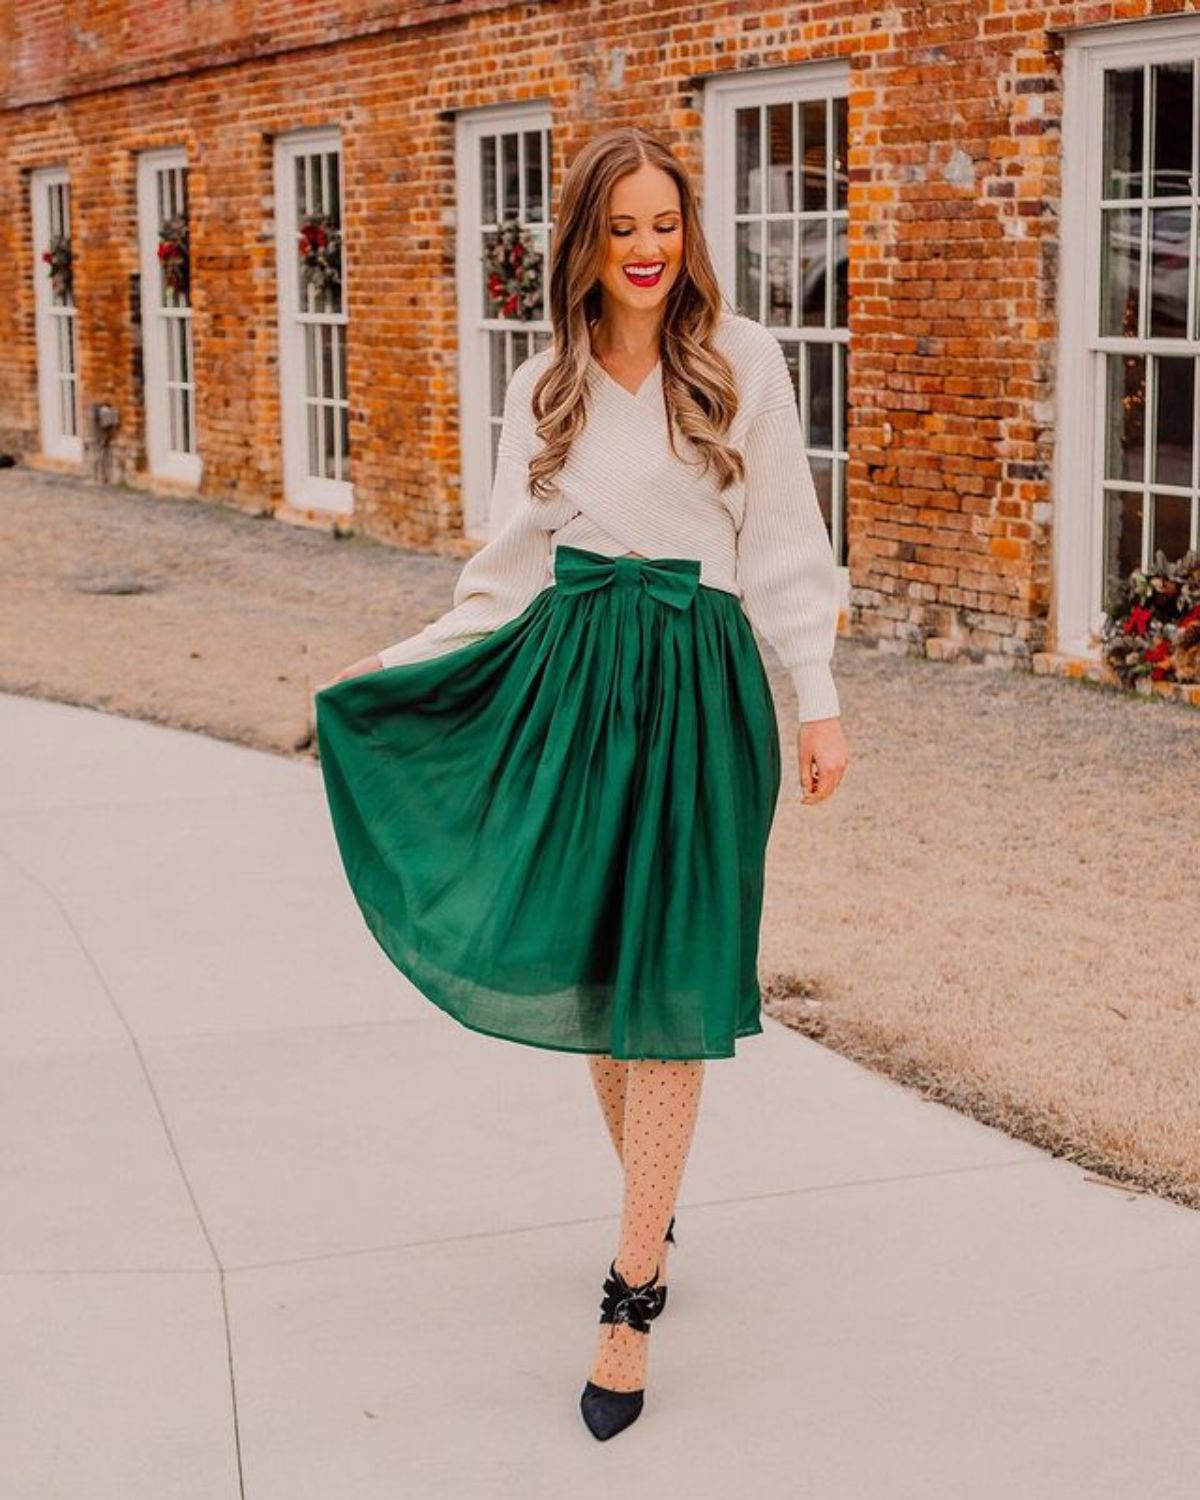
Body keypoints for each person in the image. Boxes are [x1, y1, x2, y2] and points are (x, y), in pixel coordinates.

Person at [313, 124, 849, 1442]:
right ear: (584, 247)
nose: (649, 248)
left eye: (667, 223)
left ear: (691, 234)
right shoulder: (542, 384)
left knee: (668, 976)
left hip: (701, 694)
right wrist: (393, 662)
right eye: (623, 228)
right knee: (603, 980)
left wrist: (819, 698)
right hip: (568, 684)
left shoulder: (744, 367)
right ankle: (649, 1205)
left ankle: (632, 1292)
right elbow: (501, 576)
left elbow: (784, 542)